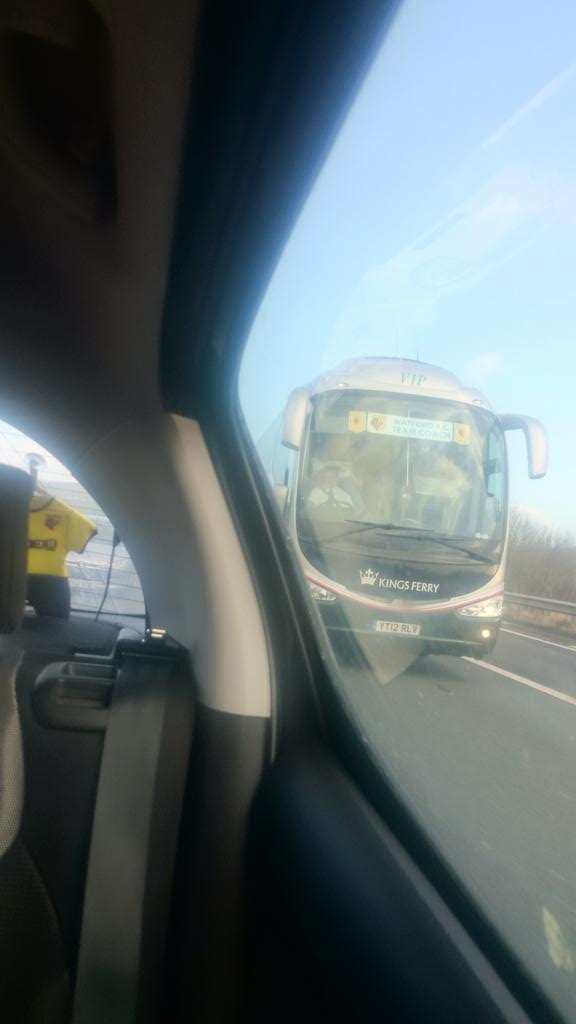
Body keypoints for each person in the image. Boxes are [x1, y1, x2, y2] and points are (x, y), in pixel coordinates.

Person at [27, 493, 97, 618]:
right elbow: (87, 529)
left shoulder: (65, 514)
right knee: (53, 629)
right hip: (51, 581)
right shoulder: (67, 514)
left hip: (10, 578)